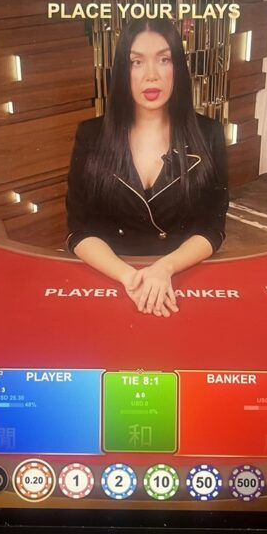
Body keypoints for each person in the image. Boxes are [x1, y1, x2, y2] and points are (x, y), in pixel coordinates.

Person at [65, 17, 229, 319]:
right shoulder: (90, 135)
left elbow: (213, 227)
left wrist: (165, 268)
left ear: (178, 67)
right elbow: (79, 230)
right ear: (122, 71)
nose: (151, 75)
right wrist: (131, 278)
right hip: (113, 275)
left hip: (182, 275)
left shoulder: (209, 134)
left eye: (164, 59)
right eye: (136, 62)